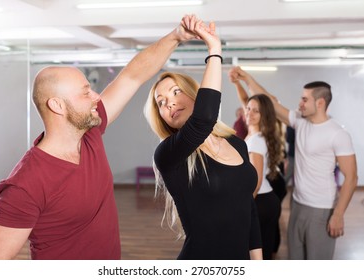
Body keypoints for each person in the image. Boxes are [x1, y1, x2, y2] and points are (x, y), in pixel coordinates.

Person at [0, 15, 200, 260]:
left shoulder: (90, 135)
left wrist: (175, 37)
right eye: (85, 92)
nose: (96, 97)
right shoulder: (25, 184)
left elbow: (132, 75)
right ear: (57, 105)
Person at [143, 19, 262, 260]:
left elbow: (247, 206)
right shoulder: (168, 155)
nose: (170, 103)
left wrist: (258, 261)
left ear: (195, 95)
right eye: (161, 102)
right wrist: (214, 51)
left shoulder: (236, 142)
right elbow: (203, 121)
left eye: (176, 92)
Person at [231, 66, 358, 260]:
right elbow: (269, 103)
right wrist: (247, 78)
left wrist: (338, 214)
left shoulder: (338, 134)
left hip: (321, 209)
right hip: (297, 204)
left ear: (320, 102)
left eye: (304, 99)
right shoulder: (300, 121)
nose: (300, 104)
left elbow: (351, 177)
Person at [228, 74, 283, 260]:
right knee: (260, 252)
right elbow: (246, 102)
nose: (249, 113)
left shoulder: (255, 142)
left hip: (260, 201)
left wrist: (244, 207)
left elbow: (256, 182)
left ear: (264, 115)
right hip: (266, 200)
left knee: (257, 254)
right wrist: (237, 83)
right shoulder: (256, 134)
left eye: (255, 111)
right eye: (248, 110)